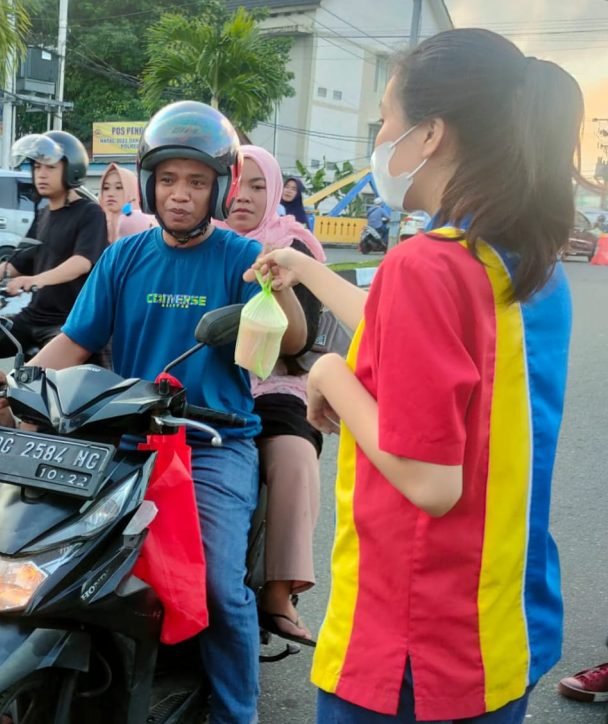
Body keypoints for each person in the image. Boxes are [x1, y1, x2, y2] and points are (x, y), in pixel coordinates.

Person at [248, 28, 582, 723]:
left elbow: (430, 482)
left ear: (430, 133)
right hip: (500, 620)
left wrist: (330, 374)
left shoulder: (426, 264)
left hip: (410, 643)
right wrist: (305, 269)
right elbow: (407, 331)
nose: (379, 138)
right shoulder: (523, 263)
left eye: (385, 119)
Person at [0, 101, 307, 724]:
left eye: (197, 181)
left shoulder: (240, 257)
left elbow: (290, 341)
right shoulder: (124, 257)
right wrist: (20, 379)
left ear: (220, 188)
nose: (181, 194)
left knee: (218, 586)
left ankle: (237, 713)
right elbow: (76, 340)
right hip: (124, 436)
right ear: (150, 184)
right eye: (169, 179)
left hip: (212, 441)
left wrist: (279, 289)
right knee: (58, 553)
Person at [218, 145, 326, 647]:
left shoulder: (292, 246)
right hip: (201, 380)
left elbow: (299, 342)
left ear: (277, 191)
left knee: (293, 456)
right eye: (236, 183)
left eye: (258, 186)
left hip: (273, 384)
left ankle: (278, 594)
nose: (243, 196)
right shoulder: (199, 241)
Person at [0, 130, 107, 355]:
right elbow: (19, 262)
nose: (41, 174)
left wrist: (35, 280)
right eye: (37, 167)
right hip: (33, 316)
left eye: (50, 167)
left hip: (67, 322)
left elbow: (82, 262)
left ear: (71, 170)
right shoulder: (43, 214)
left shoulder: (90, 213)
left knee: (41, 372)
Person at [98, 162, 156, 242]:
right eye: (106, 188)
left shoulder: (147, 224)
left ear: (131, 189)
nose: (110, 194)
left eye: (118, 187)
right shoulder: (95, 224)